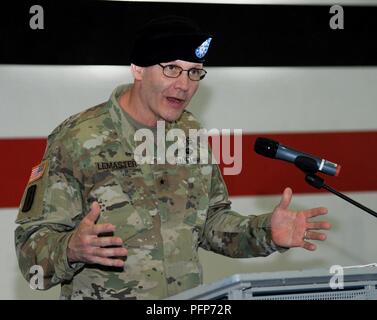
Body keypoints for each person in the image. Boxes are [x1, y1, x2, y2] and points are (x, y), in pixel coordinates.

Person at [15, 16, 331, 300]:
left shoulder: (190, 130)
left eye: (194, 72)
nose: (183, 85)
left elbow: (210, 223)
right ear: (138, 68)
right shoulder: (77, 138)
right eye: (171, 69)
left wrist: (265, 232)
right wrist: (71, 249)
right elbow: (30, 255)